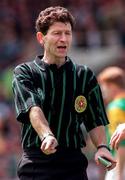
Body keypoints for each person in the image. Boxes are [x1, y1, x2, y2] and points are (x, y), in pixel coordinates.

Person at [12, 6, 116, 180]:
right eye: (57, 33)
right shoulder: (25, 72)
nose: (63, 39)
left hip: (73, 165)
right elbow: (33, 109)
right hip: (37, 163)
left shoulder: (84, 75)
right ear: (41, 38)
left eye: (68, 33)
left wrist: (101, 147)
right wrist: (47, 135)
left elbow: (95, 119)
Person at [98, 66, 125, 180]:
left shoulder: (115, 107)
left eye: (103, 87)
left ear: (111, 86)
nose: (103, 92)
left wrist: (118, 173)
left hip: (121, 165)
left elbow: (121, 142)